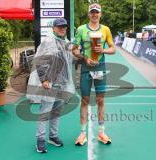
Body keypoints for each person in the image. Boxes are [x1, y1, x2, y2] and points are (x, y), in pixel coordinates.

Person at [28, 18, 75, 153]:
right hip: (50, 83)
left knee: (56, 112)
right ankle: (40, 140)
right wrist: (44, 80)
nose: (62, 29)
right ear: (53, 28)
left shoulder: (66, 42)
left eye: (64, 27)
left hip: (63, 84)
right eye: (59, 27)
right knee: (45, 111)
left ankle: (53, 136)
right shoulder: (48, 41)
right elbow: (39, 61)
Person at [72, 3, 115, 146]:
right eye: (92, 12)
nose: (95, 14)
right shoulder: (81, 29)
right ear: (89, 14)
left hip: (100, 66)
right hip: (85, 67)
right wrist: (85, 57)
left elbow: (112, 49)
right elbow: (74, 50)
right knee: (84, 100)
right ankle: (83, 133)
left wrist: (102, 51)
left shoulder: (106, 29)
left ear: (100, 14)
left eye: (97, 12)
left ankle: (101, 132)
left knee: (100, 100)